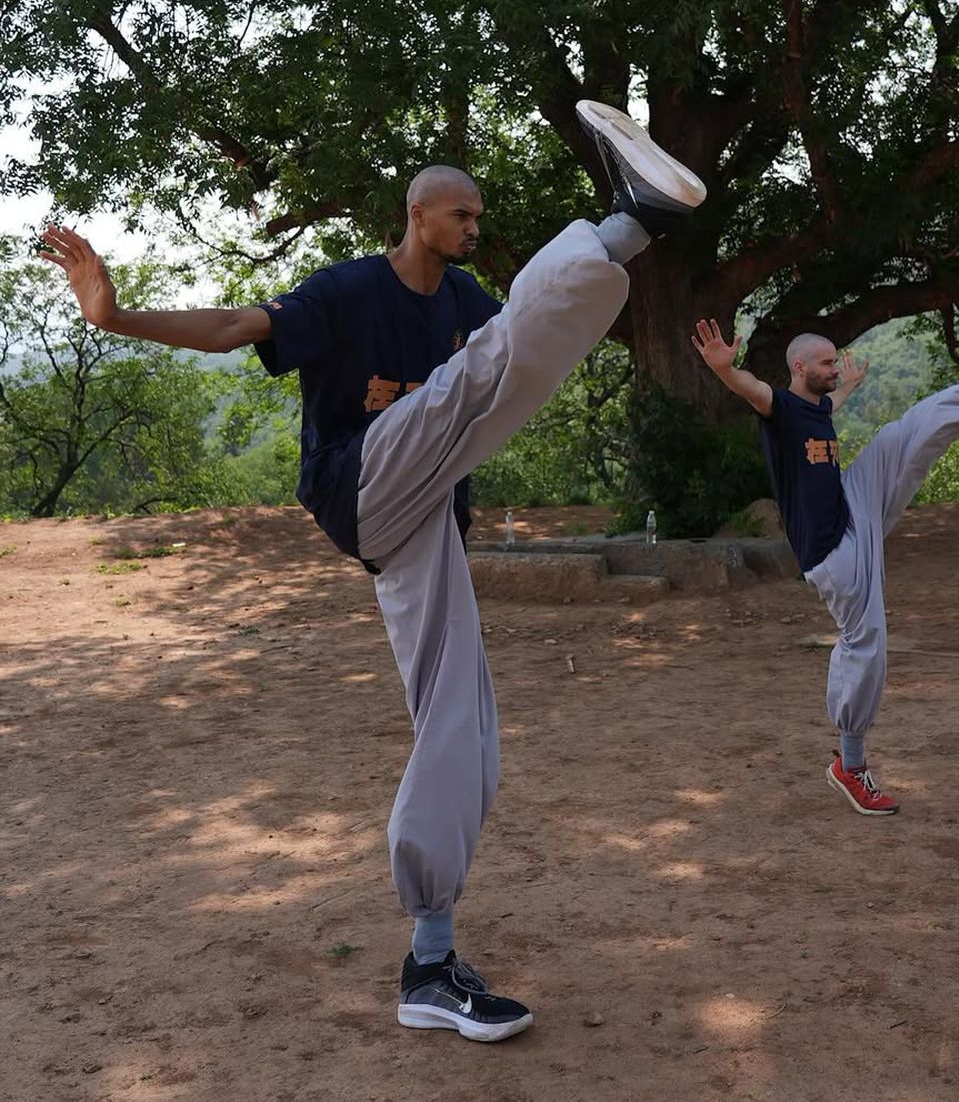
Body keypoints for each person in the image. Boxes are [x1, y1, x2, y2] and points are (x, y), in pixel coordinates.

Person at [40, 99, 706, 1042]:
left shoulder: (471, 305)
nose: (474, 229)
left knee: (466, 728)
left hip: (424, 519)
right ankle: (630, 220)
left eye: (478, 219)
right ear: (418, 215)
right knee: (474, 374)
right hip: (359, 485)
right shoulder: (345, 291)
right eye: (462, 217)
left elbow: (523, 342)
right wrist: (115, 316)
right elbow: (238, 325)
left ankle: (429, 960)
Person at [691, 320, 959, 815]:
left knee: (901, 436)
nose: (835, 368)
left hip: (848, 502)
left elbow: (833, 403)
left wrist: (848, 384)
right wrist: (725, 370)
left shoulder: (817, 406)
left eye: (837, 362)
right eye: (828, 363)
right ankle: (850, 767)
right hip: (832, 551)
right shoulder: (780, 408)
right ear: (799, 367)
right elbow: (750, 388)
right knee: (866, 641)